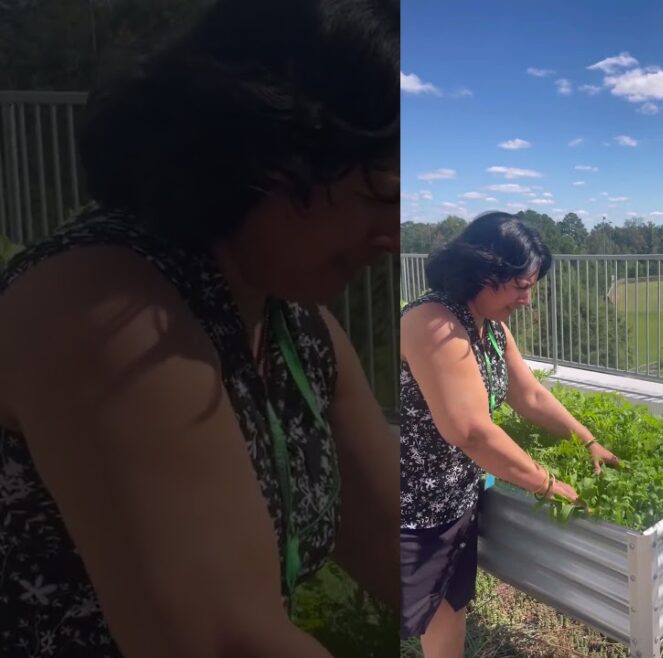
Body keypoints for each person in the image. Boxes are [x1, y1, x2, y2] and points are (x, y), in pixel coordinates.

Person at [0, 1, 400, 656]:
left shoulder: (296, 328)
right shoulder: (107, 310)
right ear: (266, 150)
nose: (392, 237)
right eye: (382, 195)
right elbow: (229, 642)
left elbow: (394, 536)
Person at [399, 211, 621, 657]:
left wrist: (588, 439)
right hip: (412, 507)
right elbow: (472, 432)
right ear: (484, 271)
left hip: (454, 497)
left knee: (448, 606)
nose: (528, 300)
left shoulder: (491, 328)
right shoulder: (433, 323)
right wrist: (548, 484)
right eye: (522, 286)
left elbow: (530, 396)